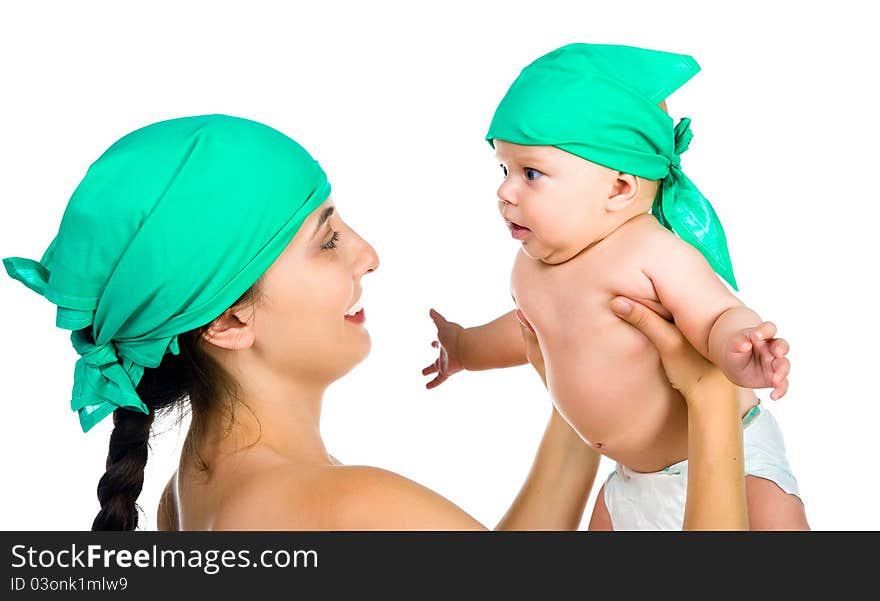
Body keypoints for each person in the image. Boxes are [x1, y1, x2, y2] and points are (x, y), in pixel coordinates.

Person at [4, 113, 749, 531]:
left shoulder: (186, 499)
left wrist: (575, 372)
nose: (368, 254)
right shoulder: (350, 507)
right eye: (326, 239)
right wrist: (711, 397)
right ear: (229, 321)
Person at [423, 43, 808, 530]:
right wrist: (463, 348)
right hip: (631, 480)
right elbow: (524, 334)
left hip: (734, 456)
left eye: (531, 173)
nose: (504, 191)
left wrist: (740, 346)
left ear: (620, 189)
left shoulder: (649, 253)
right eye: (504, 169)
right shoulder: (530, 271)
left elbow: (714, 313)